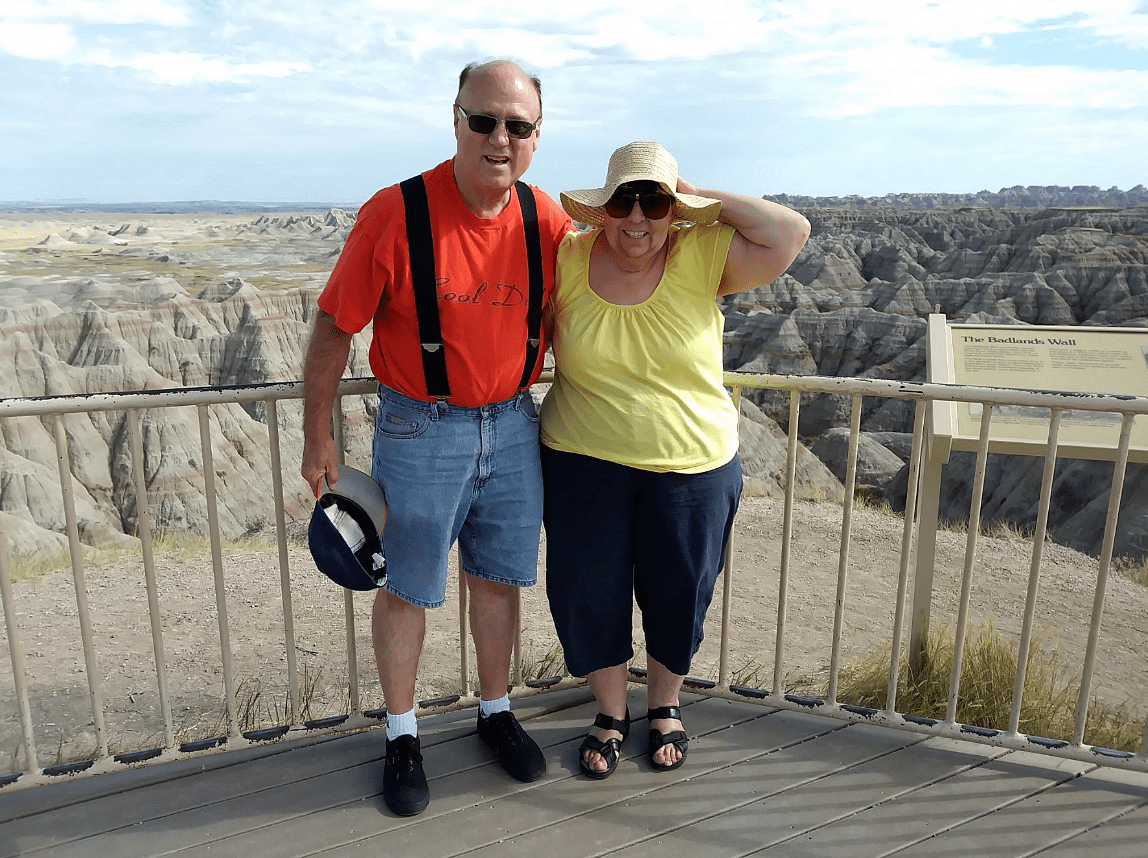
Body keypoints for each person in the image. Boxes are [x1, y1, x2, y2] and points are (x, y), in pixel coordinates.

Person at [301, 59, 573, 816]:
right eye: (483, 120)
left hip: (515, 423)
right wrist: (317, 436)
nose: (499, 138)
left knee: (497, 578)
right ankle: (402, 734)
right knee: (409, 587)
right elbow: (333, 327)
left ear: (536, 137)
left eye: (517, 126)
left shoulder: (544, 220)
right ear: (455, 120)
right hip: (421, 427)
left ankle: (495, 712)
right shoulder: (395, 213)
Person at [539, 140, 810, 779]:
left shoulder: (702, 253)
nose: (639, 216)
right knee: (588, 592)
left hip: (691, 466)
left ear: (674, 208)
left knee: (679, 590)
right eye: (625, 199)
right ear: (603, 208)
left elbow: (789, 233)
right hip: (581, 459)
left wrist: (693, 193)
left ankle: (665, 707)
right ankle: (610, 712)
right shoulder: (568, 259)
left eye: (654, 201)